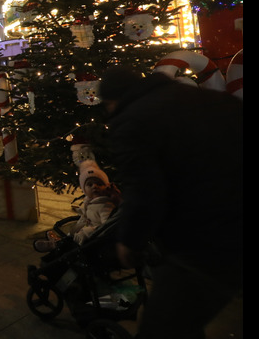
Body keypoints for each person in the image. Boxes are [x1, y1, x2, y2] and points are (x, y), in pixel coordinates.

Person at [99, 67, 243, 339]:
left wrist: (130, 241)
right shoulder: (210, 100)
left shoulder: (132, 121)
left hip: (204, 242)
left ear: (115, 99)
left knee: (163, 328)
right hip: (229, 226)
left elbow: (144, 191)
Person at [34, 159, 117, 252]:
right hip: (83, 230)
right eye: (90, 184)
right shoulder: (89, 201)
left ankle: (56, 245)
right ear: (84, 190)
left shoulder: (105, 205)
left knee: (73, 242)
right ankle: (61, 241)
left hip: (92, 237)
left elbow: (108, 226)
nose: (94, 186)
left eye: (99, 184)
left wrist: (87, 232)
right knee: (72, 235)